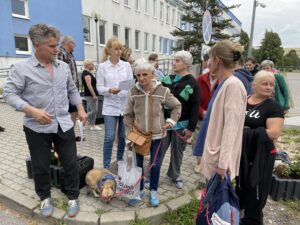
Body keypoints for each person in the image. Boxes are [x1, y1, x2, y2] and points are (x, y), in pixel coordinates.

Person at [4, 24, 87, 217]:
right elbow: (9, 94)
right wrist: (32, 111)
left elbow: (72, 90)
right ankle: (44, 197)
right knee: (40, 165)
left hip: (63, 123)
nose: (57, 49)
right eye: (51, 46)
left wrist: (81, 109)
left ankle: (73, 197)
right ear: (36, 45)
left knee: (70, 163)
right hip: (36, 127)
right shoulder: (21, 68)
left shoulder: (63, 67)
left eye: (57, 45)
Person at [124, 58, 181, 206]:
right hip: (138, 134)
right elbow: (127, 115)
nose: (142, 78)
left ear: (152, 74)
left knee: (154, 164)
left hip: (157, 135)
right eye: (138, 75)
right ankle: (139, 191)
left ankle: (153, 191)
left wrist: (171, 121)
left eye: (145, 74)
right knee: (138, 164)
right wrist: (129, 133)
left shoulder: (163, 91)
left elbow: (176, 106)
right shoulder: (133, 92)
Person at [236, 70, 284, 225]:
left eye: (272, 84)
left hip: (260, 155)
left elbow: (274, 132)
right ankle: (239, 214)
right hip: (241, 153)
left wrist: (246, 133)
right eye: (265, 84)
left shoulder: (274, 107)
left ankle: (253, 219)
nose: (269, 87)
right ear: (254, 85)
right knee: (241, 184)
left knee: (256, 188)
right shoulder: (244, 100)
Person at [194, 40, 247, 181]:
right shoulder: (224, 84)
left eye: (210, 59)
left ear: (217, 60)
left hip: (219, 163)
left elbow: (231, 127)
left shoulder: (233, 86)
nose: (208, 63)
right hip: (215, 157)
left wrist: (223, 165)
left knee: (217, 201)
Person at [160, 50, 200, 189]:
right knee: (159, 150)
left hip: (182, 125)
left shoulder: (193, 82)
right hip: (165, 123)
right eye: (174, 60)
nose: (174, 63)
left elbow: (195, 107)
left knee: (177, 153)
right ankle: (152, 174)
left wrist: (191, 128)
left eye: (177, 60)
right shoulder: (166, 79)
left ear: (186, 64)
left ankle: (175, 175)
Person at [96, 36, 134, 169]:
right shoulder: (102, 67)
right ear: (108, 51)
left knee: (122, 137)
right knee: (109, 137)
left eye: (120, 48)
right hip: (110, 107)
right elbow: (99, 88)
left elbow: (131, 84)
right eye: (116, 49)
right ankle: (106, 166)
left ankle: (119, 162)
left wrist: (124, 88)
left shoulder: (126, 65)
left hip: (124, 107)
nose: (119, 51)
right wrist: (109, 90)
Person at [193, 70, 218, 174]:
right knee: (198, 139)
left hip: (215, 117)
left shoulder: (223, 81)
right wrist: (202, 111)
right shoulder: (200, 79)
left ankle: (208, 162)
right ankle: (199, 163)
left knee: (211, 140)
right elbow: (194, 99)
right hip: (201, 116)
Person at [58, 35, 79, 127]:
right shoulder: (60, 53)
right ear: (68, 43)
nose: (74, 44)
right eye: (73, 42)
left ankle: (71, 133)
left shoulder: (70, 54)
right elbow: (60, 73)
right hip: (65, 92)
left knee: (74, 111)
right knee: (67, 113)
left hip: (72, 90)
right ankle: (65, 135)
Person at [81, 60, 101, 131]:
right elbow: (89, 85)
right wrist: (94, 95)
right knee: (94, 110)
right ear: (88, 65)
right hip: (90, 95)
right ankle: (83, 119)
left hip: (91, 95)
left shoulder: (88, 73)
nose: (93, 65)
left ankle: (92, 126)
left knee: (93, 110)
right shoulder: (86, 73)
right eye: (92, 64)